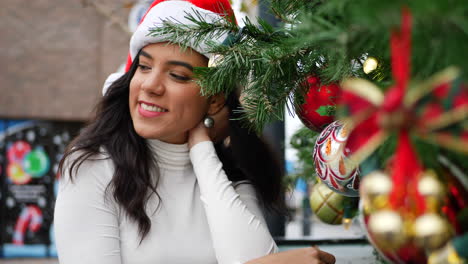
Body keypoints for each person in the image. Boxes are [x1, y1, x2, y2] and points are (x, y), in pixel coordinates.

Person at [54, 0, 335, 263]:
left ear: (214, 100)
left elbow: (248, 256)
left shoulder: (229, 177)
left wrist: (201, 149)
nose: (150, 85)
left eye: (177, 75)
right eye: (144, 67)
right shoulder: (93, 166)